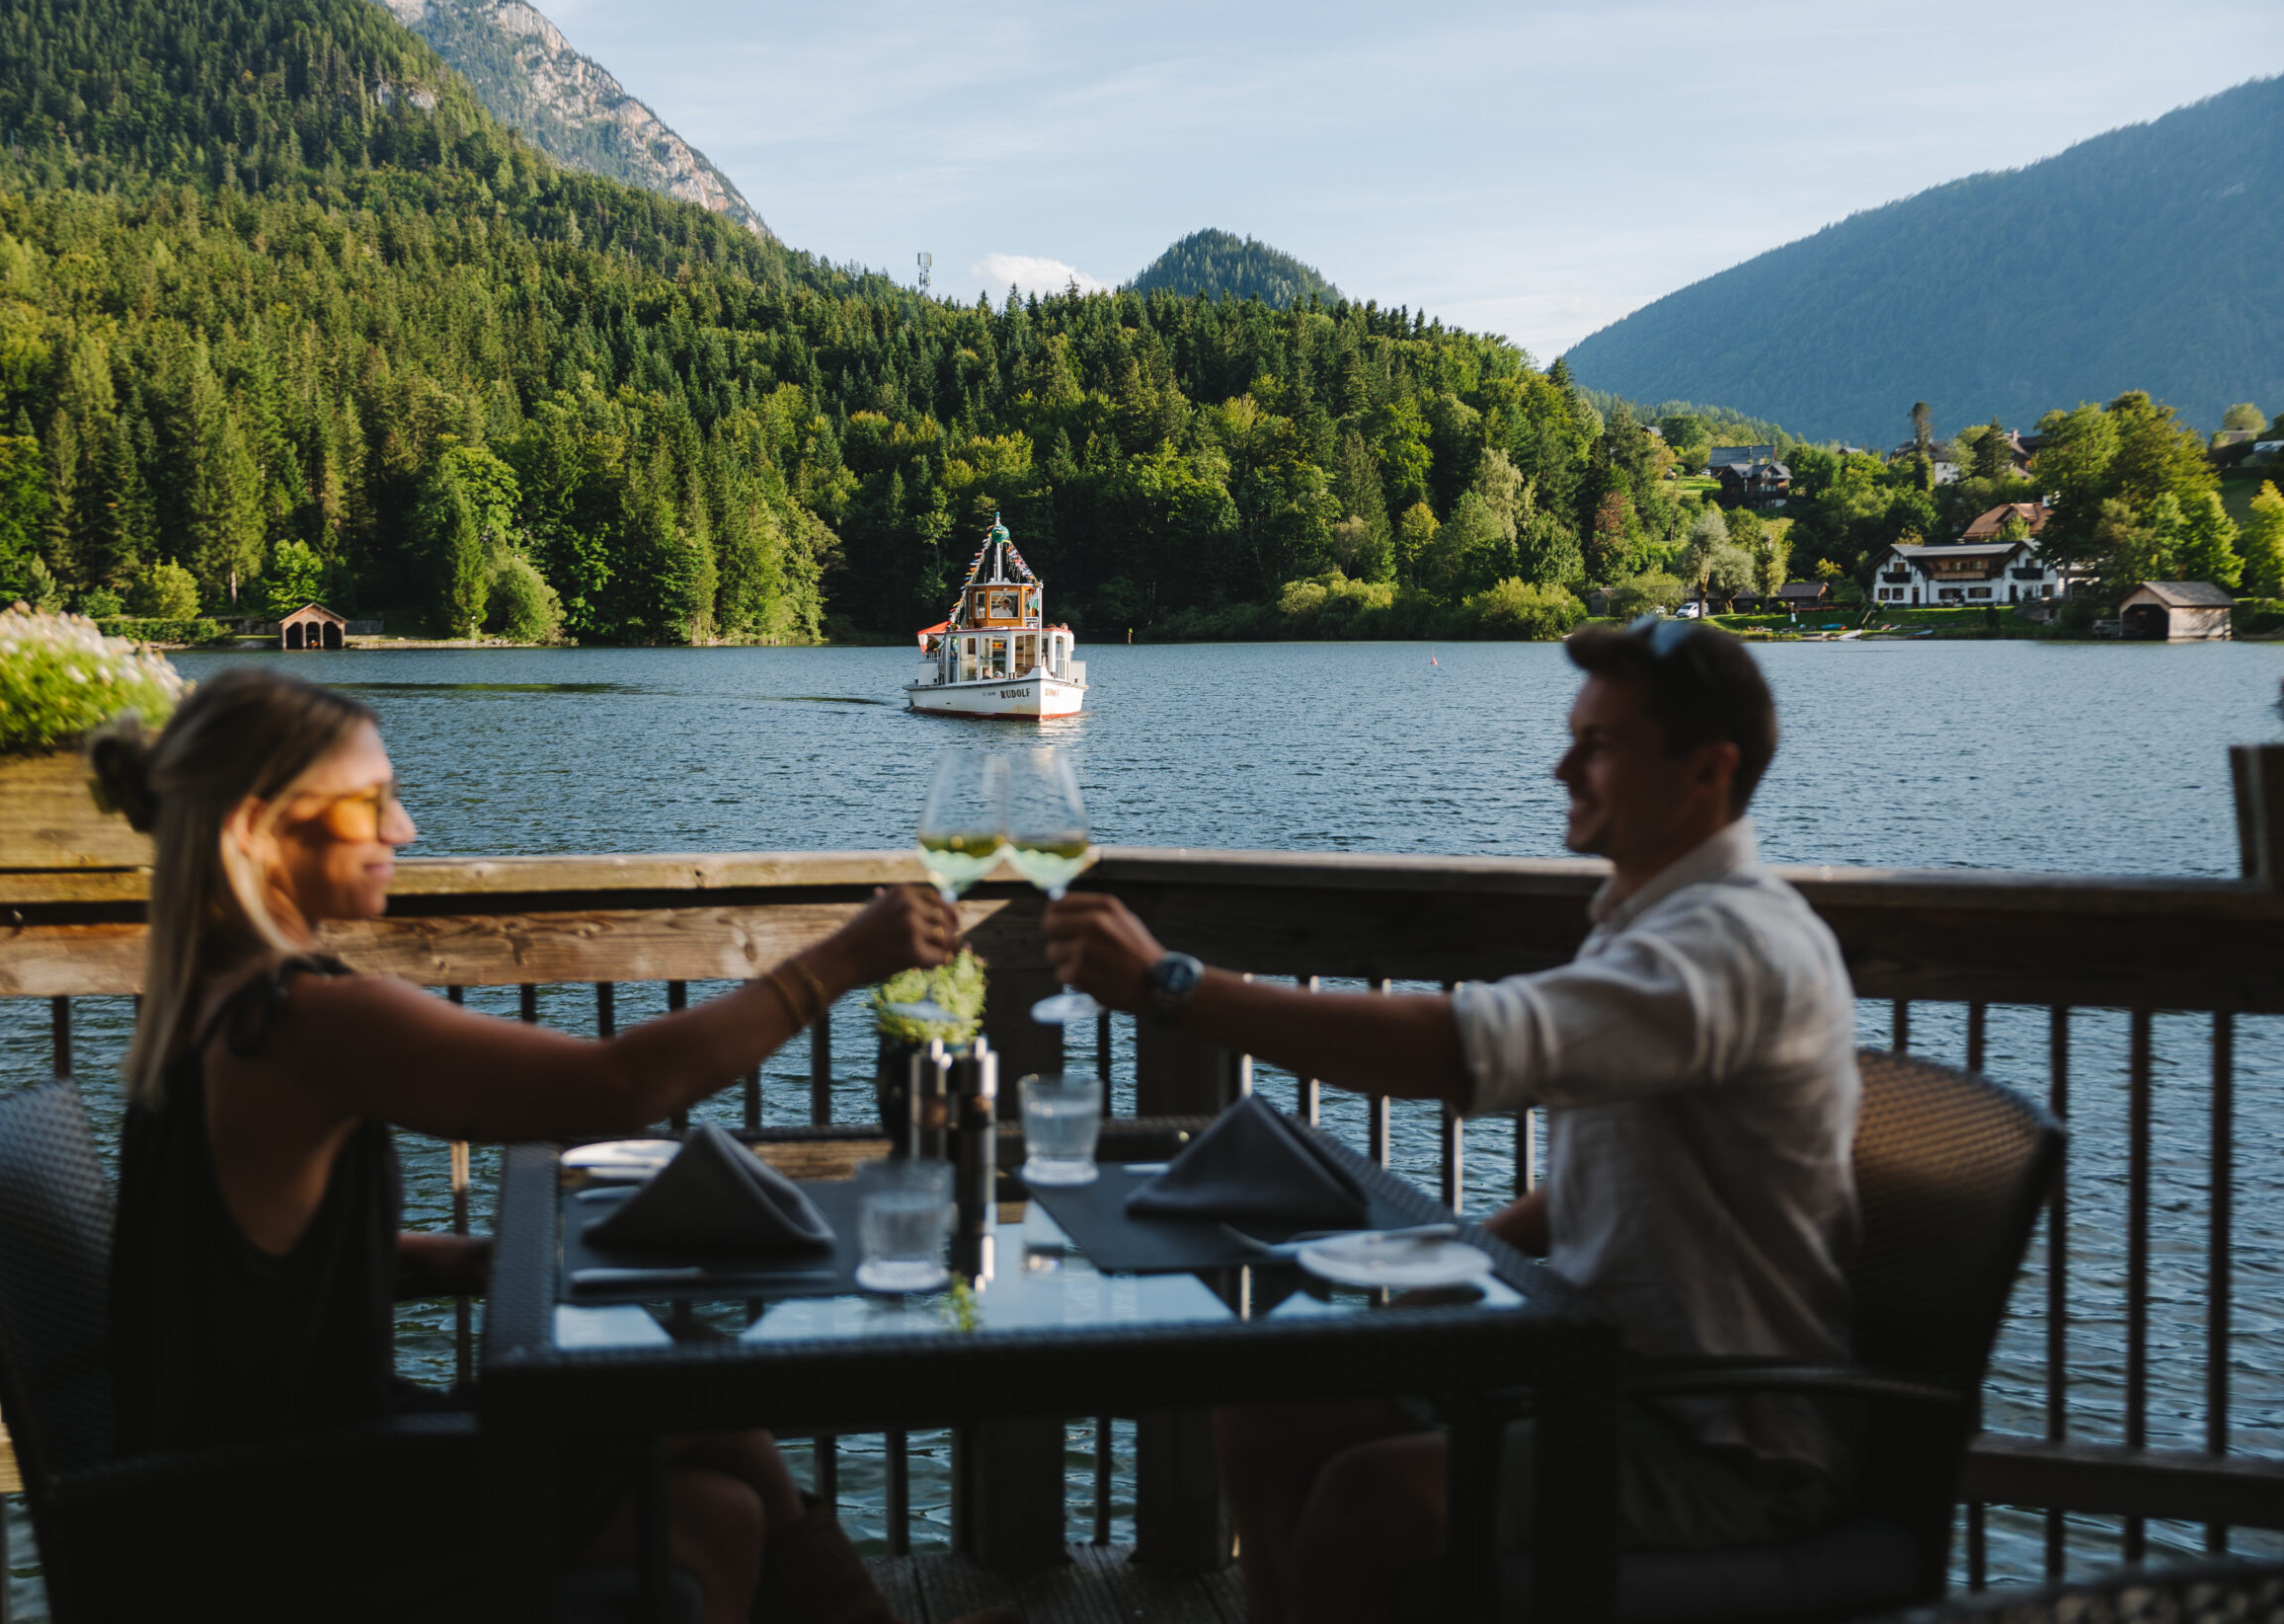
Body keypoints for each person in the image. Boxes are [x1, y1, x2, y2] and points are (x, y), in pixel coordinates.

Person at [90, 668, 1008, 1624]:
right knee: (709, 1492)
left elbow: (245, 1271)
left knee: (714, 1462)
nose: (402, 829)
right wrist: (839, 961)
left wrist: (467, 1258)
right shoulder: (304, 1022)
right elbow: (614, 1089)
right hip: (289, 1514)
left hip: (222, 1493)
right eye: (371, 803)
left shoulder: (204, 1006)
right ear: (253, 826)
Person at [1043, 618, 1859, 1623]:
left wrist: (1176, 988)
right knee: (1264, 1405)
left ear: (1708, 773)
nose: (1561, 767)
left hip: (1717, 1436)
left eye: (1598, 745)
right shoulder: (1653, 929)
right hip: (1584, 1371)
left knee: (1371, 1497)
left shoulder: (1730, 946)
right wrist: (1444, 1263)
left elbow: (1454, 1050)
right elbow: (1601, 1192)